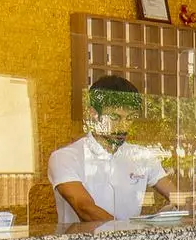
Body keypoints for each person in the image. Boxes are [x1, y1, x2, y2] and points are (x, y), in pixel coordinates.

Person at [48, 76, 177, 224]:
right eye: (115, 117)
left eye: (130, 118)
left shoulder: (142, 157)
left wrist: (183, 208)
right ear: (93, 114)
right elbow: (85, 209)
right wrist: (132, 232)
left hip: (133, 237)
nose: (123, 126)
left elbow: (178, 197)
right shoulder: (65, 158)